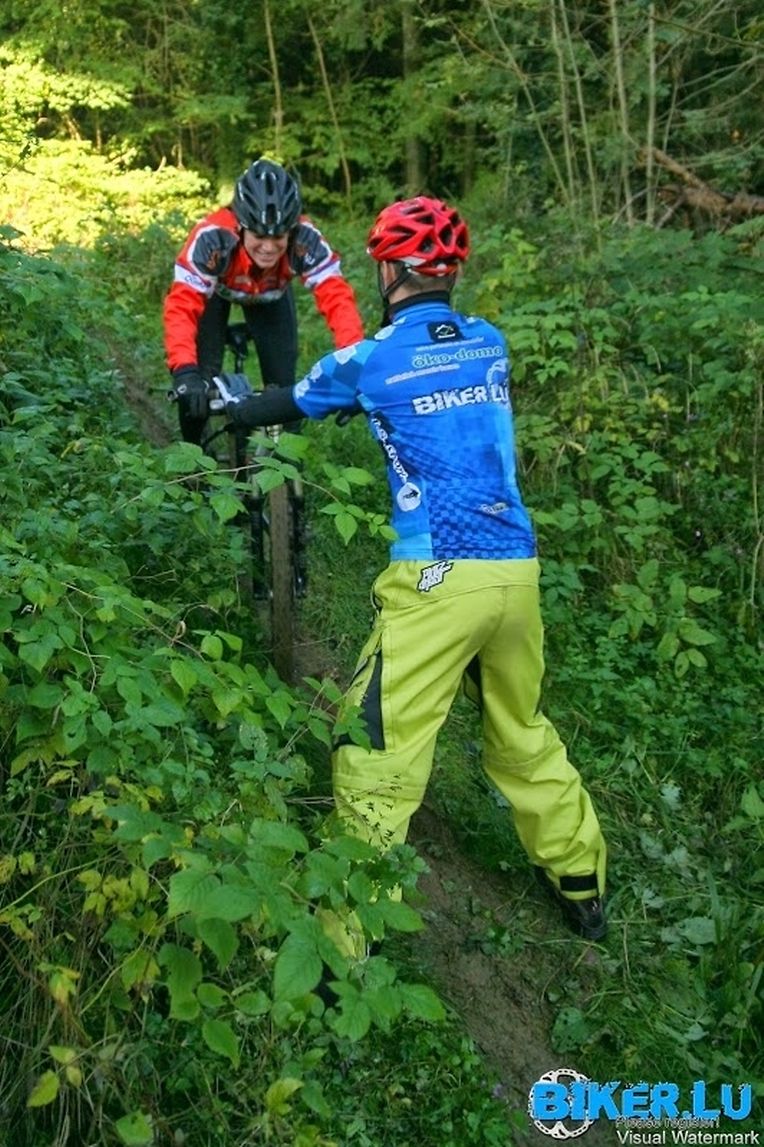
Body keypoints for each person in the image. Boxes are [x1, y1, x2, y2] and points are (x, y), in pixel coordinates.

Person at [226, 195, 608, 941]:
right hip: (517, 572)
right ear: (451, 273)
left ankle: (344, 942)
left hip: (438, 578)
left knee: (376, 747)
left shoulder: (371, 359)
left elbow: (292, 400)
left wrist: (236, 409)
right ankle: (581, 882)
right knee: (522, 731)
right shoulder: (490, 342)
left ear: (388, 272)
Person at [163, 157, 364, 443]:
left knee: (284, 391)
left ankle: (285, 460)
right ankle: (194, 459)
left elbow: (337, 299)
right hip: (215, 294)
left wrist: (354, 366)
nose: (268, 247)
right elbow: (182, 306)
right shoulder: (212, 239)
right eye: (258, 235)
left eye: (279, 236)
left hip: (272, 297)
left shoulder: (306, 239)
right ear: (240, 226)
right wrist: (184, 371)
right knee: (196, 388)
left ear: (292, 228)